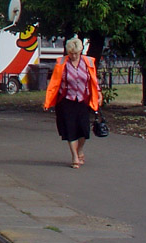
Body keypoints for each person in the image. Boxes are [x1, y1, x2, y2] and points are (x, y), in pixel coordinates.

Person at [43, 36, 102, 168]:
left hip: (83, 100)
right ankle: (75, 157)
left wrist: (98, 93)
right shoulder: (62, 62)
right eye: (71, 53)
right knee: (70, 129)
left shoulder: (88, 62)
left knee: (84, 130)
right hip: (66, 100)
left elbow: (93, 79)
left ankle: (80, 150)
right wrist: (48, 101)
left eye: (76, 53)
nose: (74, 56)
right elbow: (54, 83)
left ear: (80, 51)